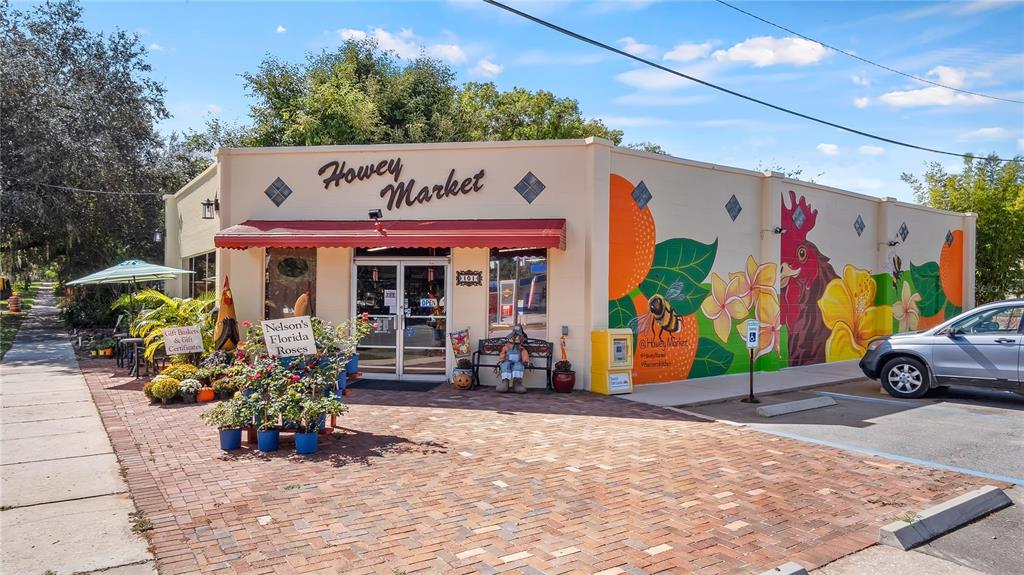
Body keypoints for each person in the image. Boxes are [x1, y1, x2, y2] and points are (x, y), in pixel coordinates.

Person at [495, 325, 530, 394]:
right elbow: (503, 353)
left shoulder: (521, 348)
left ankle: (517, 384)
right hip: (508, 361)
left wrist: (525, 360)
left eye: (518, 336)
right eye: (514, 336)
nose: (515, 338)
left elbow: (524, 354)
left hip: (518, 361)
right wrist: (501, 359)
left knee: (518, 366)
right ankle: (505, 383)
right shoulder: (506, 347)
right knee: (505, 365)